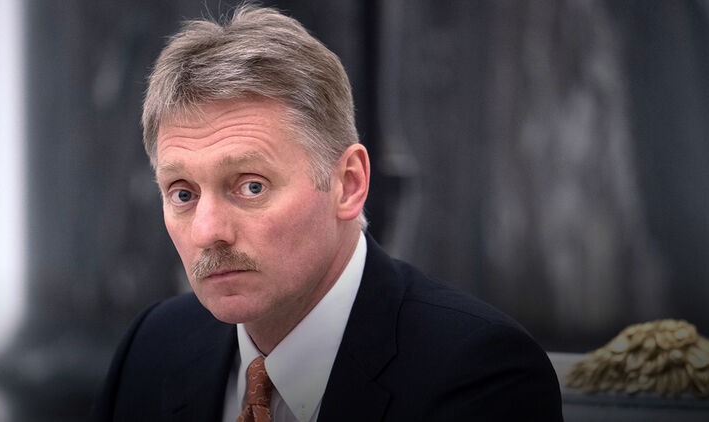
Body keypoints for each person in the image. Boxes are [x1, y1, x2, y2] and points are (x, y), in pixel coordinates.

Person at [93, 4, 563, 421]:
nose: (208, 231)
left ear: (349, 184)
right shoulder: (152, 349)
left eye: (251, 186)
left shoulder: (481, 376)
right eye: (182, 194)